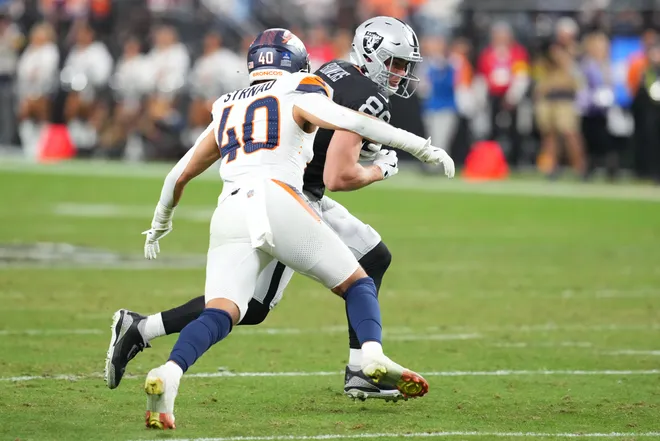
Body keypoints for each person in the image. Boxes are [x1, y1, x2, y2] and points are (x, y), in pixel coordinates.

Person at [106, 18, 452, 403]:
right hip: (289, 197)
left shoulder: (234, 101)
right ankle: (144, 327)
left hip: (239, 201)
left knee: (368, 259)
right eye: (397, 64)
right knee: (272, 303)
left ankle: (358, 370)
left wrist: (160, 222)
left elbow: (179, 174)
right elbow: (345, 143)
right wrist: (411, 153)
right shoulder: (304, 87)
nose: (401, 74)